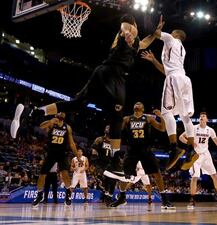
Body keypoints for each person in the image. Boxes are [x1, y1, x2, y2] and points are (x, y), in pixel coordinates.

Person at [10, 15, 164, 160]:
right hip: (112, 74)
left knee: (77, 104)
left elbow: (145, 42)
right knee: (117, 116)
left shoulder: (136, 43)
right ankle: (115, 160)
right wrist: (127, 32)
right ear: (133, 24)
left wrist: (156, 33)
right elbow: (124, 26)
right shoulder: (127, 30)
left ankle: (33, 111)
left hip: (104, 73)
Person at [141, 27, 198, 171]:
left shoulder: (171, 39)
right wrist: (153, 60)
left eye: (172, 31)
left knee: (166, 113)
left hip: (174, 79)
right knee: (185, 116)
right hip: (184, 79)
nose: (170, 33)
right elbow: (166, 70)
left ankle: (174, 148)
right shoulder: (182, 49)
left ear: (176, 34)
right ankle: (191, 149)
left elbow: (153, 31)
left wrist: (157, 28)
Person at [109, 102, 175, 209]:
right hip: (131, 150)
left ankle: (164, 199)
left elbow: (162, 128)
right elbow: (117, 131)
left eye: (140, 104)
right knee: (124, 175)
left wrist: (161, 117)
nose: (137, 104)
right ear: (133, 107)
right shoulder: (127, 119)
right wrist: (116, 116)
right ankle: (122, 198)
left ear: (143, 108)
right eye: (136, 103)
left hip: (146, 150)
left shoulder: (148, 118)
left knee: (157, 174)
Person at [179, 112, 217, 209]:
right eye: (200, 116)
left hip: (206, 155)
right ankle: (192, 200)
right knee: (195, 177)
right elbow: (181, 137)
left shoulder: (210, 130)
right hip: (196, 155)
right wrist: (189, 142)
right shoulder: (193, 128)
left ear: (207, 120)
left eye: (203, 116)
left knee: (215, 176)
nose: (201, 117)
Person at [31, 112, 79, 207]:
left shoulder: (67, 127)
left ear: (65, 116)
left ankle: (68, 195)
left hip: (62, 154)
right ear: (56, 114)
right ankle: (39, 195)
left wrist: (77, 156)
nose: (62, 113)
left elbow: (72, 143)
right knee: (42, 175)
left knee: (65, 173)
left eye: (63, 112)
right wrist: (50, 122)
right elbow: (41, 127)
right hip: (51, 153)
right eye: (60, 112)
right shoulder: (51, 124)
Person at [91, 125, 124, 206]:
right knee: (105, 181)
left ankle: (109, 197)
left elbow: (116, 155)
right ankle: (105, 194)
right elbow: (94, 150)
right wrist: (94, 162)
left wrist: (120, 161)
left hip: (111, 163)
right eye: (108, 129)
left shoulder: (114, 142)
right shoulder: (99, 139)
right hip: (100, 163)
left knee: (113, 180)